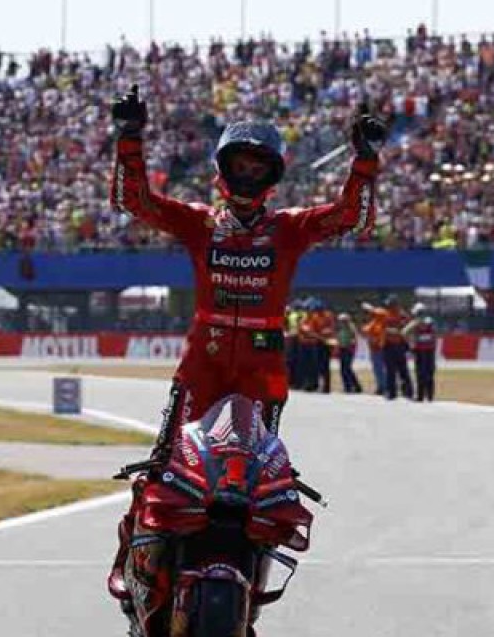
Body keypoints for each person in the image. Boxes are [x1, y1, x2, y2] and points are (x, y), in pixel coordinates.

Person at [106, 85, 386, 625]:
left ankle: (246, 585)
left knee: (255, 484)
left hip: (261, 378)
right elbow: (134, 202)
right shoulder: (199, 223)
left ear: (274, 174)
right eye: (242, 162)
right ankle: (134, 567)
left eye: (260, 165)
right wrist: (130, 139)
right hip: (201, 371)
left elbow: (351, 216)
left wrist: (365, 160)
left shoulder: (289, 229)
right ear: (223, 166)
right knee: (165, 470)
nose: (250, 173)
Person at [363, 295, 413, 400]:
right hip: (388, 345)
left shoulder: (402, 315)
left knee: (403, 370)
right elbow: (373, 311)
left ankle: (408, 391)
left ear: (396, 304)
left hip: (399, 345)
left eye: (391, 304)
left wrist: (399, 331)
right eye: (389, 304)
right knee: (390, 370)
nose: (390, 306)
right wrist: (368, 307)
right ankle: (391, 392)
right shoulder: (384, 314)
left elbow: (406, 327)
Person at [404, 302, 438, 402]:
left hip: (419, 350)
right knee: (430, 373)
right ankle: (430, 396)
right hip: (430, 350)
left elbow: (404, 332)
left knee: (420, 373)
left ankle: (420, 396)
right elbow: (435, 335)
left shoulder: (415, 323)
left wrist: (411, 343)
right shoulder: (431, 321)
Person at [361, 305, 387, 395]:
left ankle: (383, 387)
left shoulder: (380, 324)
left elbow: (368, 332)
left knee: (380, 369)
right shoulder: (374, 323)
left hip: (379, 349)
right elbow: (364, 331)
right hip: (374, 349)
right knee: (378, 369)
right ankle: (381, 386)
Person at [335, 312, 364, 393]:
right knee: (343, 369)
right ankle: (349, 386)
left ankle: (353, 386)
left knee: (347, 368)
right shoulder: (340, 329)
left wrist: (351, 346)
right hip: (342, 349)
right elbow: (339, 339)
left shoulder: (351, 327)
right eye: (340, 321)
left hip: (348, 350)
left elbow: (354, 339)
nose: (341, 322)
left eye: (343, 321)